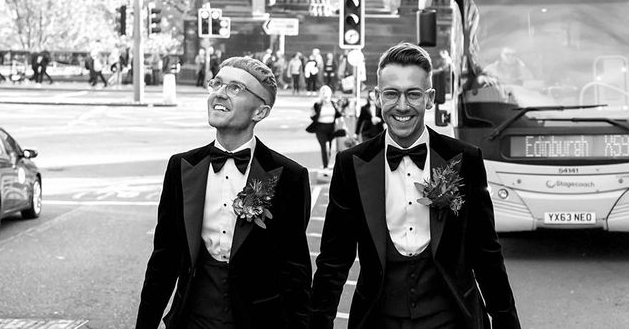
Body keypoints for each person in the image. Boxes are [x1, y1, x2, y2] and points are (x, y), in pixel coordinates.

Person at [310, 42, 521, 329]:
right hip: (377, 318)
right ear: (377, 96)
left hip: (453, 317)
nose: (402, 106)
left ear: (430, 98)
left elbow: (485, 251)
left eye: (413, 94)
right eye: (391, 94)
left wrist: (506, 320)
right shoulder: (351, 164)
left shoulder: (464, 159)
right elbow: (334, 259)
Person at [135, 56, 311, 329]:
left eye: (235, 88)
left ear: (260, 112)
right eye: (217, 83)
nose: (219, 93)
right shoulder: (182, 167)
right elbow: (164, 258)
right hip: (191, 319)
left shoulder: (286, 175)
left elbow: (295, 270)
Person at [307, 85, 342, 170]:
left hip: (331, 128)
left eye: (327, 94)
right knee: (325, 146)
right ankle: (325, 166)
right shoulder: (317, 104)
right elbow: (312, 117)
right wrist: (312, 112)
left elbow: (338, 115)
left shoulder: (333, 103)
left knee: (329, 149)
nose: (325, 96)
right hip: (320, 128)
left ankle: (326, 163)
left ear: (330, 94)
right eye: (324, 94)